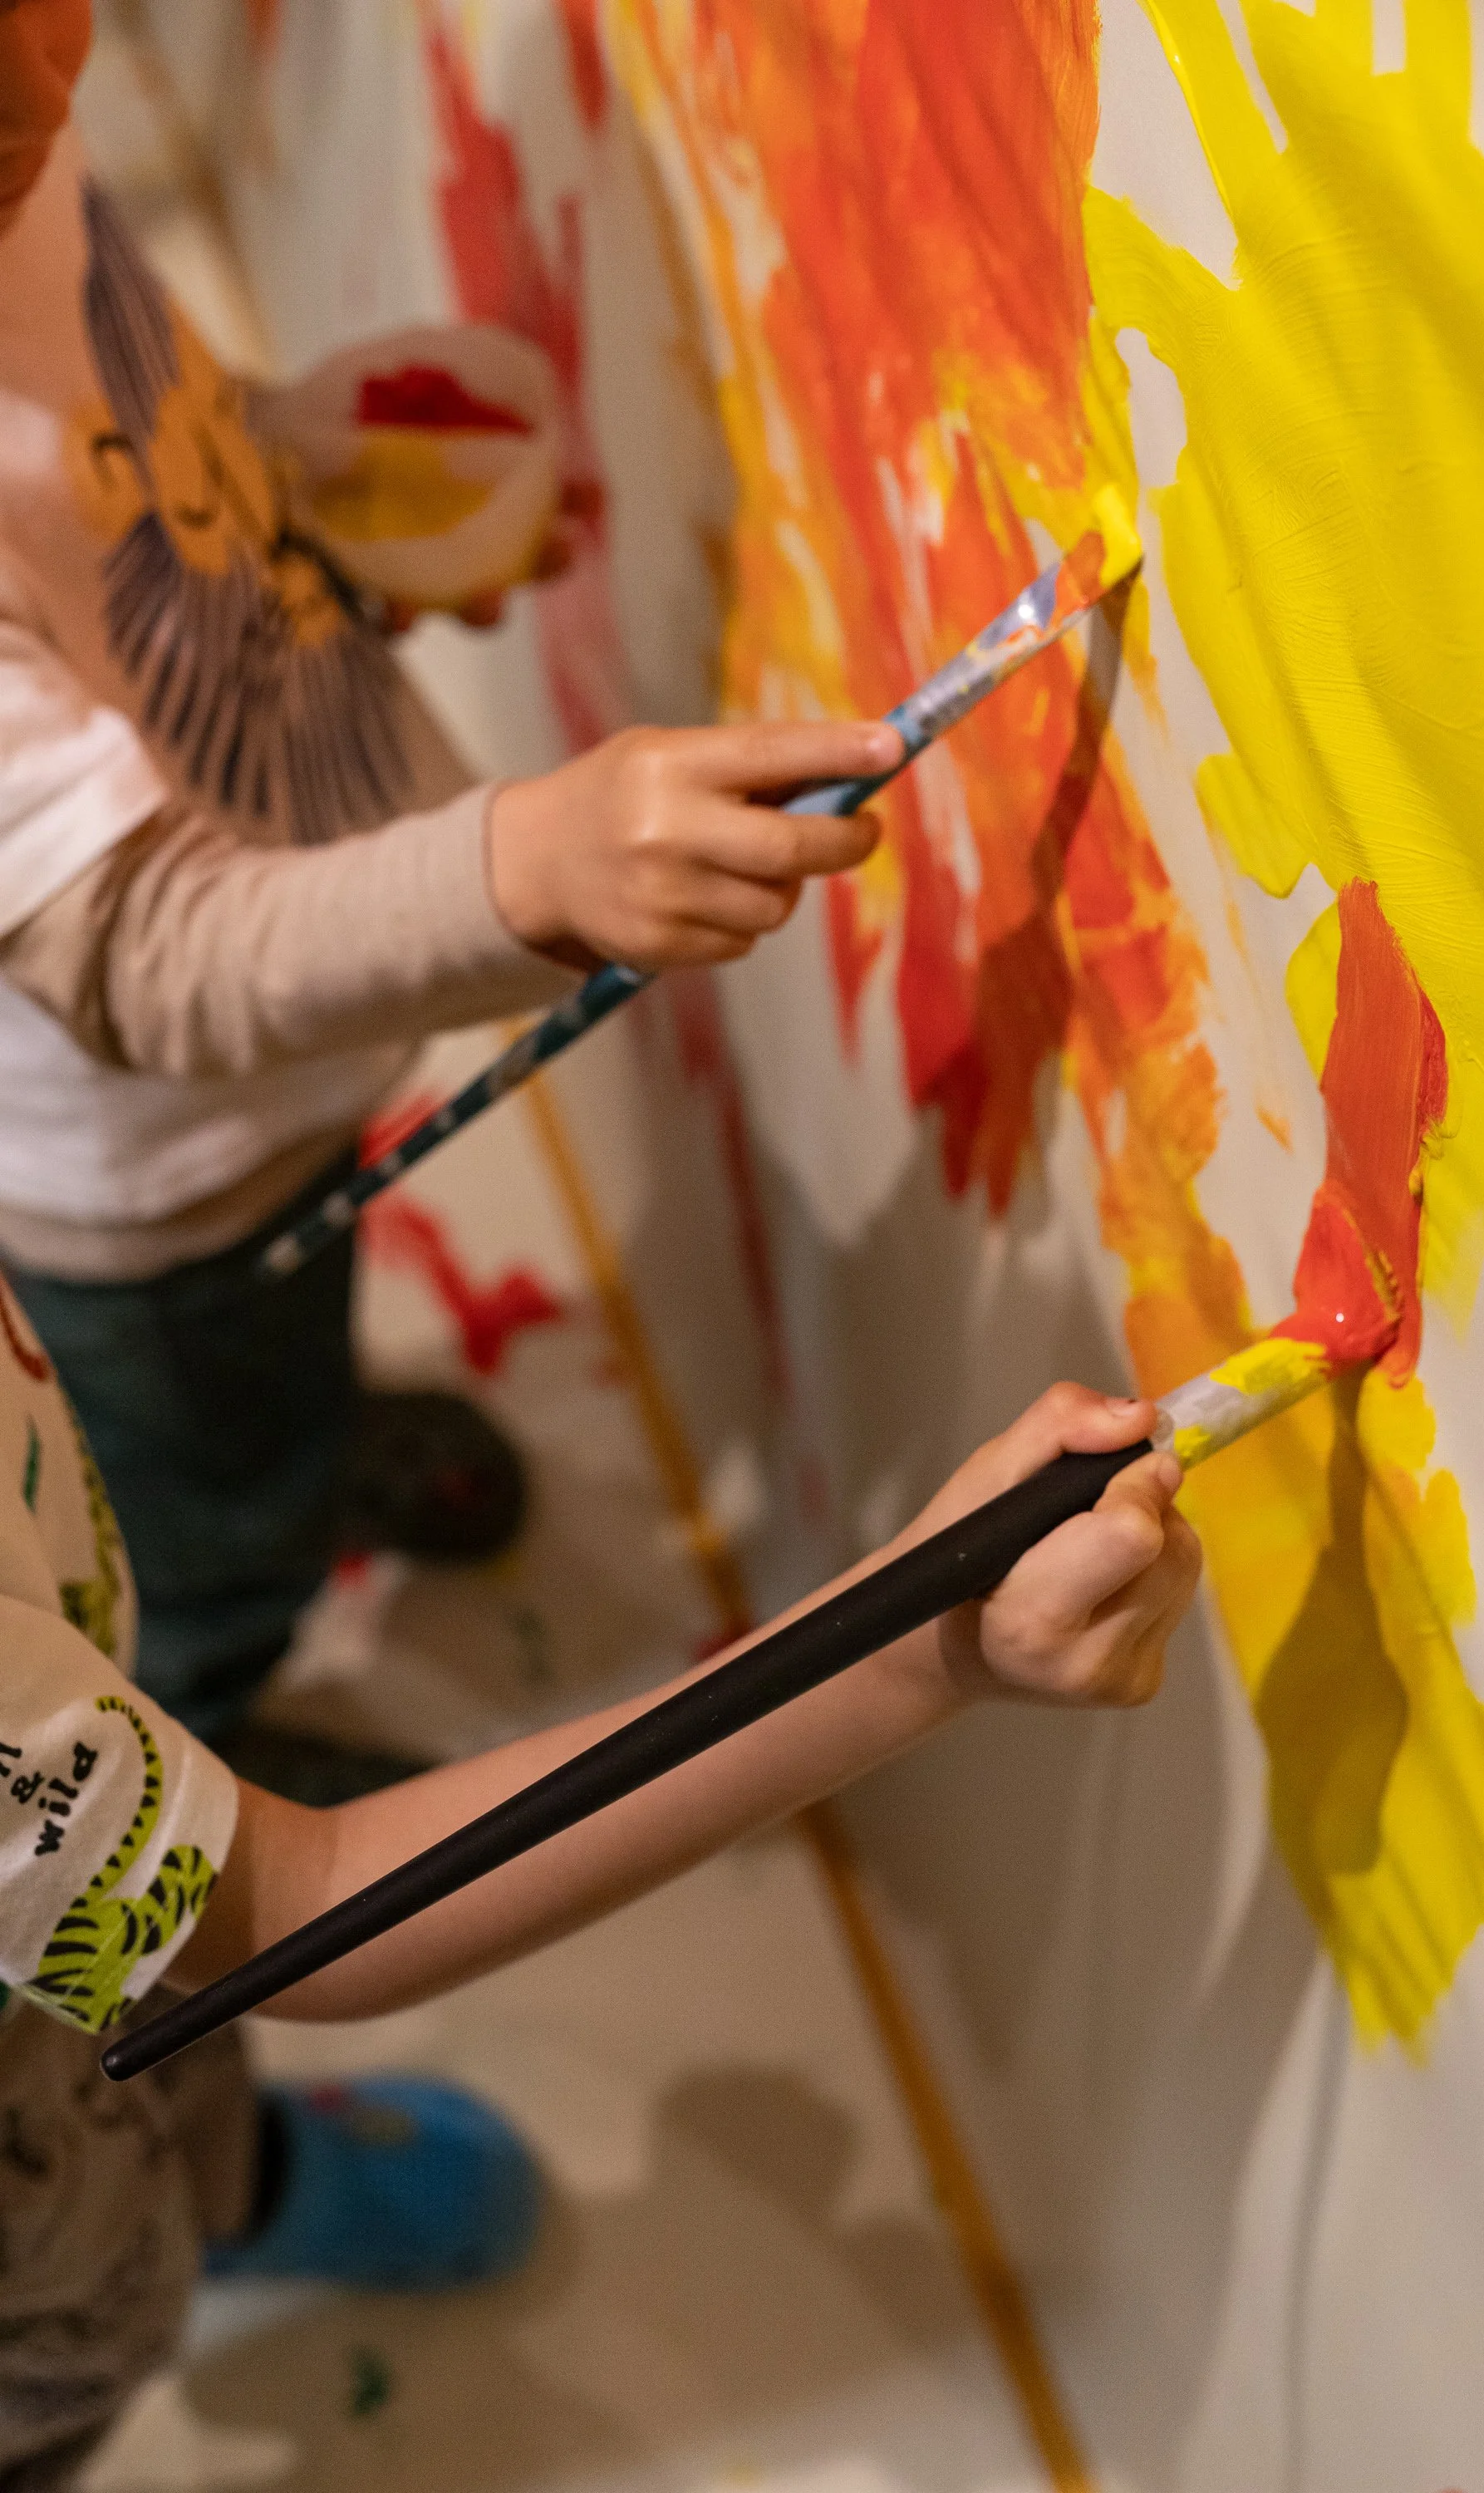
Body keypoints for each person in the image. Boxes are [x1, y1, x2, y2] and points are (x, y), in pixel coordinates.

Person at [0, 0, 898, 1753]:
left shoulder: (18, 145)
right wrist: (529, 873)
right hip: (154, 1182)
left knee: (281, 1349)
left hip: (276, 1074)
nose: (53, 86)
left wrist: (290, 466)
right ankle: (206, 1739)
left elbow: (87, 449)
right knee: (190, 1524)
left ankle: (298, 1450)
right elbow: (146, 949)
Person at [0, 1229, 1200, 2477]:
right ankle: (142, 2269)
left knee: (158, 2033)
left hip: (65, 1925)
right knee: (83, 2314)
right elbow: (309, 1903)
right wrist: (922, 1648)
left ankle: (233, 2187)